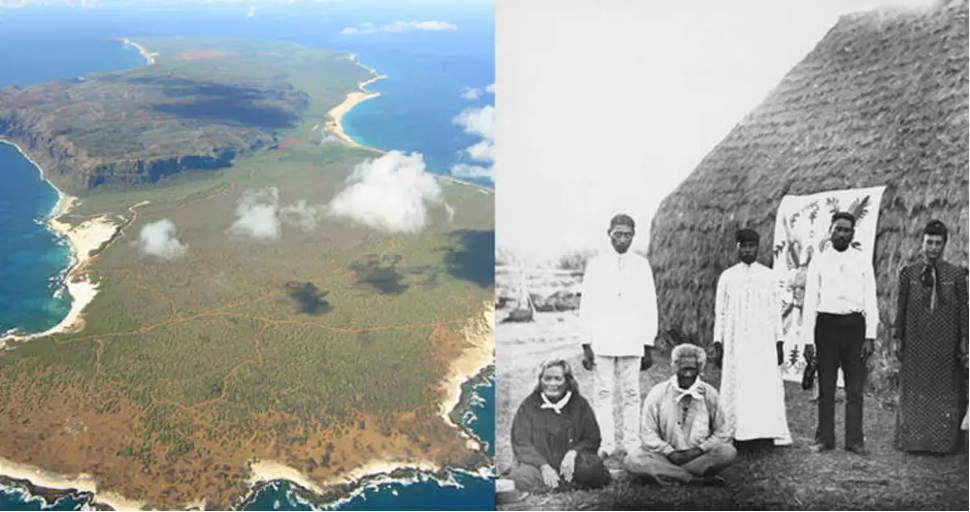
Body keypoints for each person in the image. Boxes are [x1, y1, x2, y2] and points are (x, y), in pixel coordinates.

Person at [579, 213, 658, 460]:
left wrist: (648, 343)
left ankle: (632, 442)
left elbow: (649, 305)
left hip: (632, 338)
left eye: (627, 235)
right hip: (602, 339)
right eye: (618, 235)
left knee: (631, 393)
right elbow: (587, 304)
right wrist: (586, 343)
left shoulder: (641, 265)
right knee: (603, 393)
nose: (622, 240)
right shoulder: (596, 265)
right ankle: (606, 443)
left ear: (633, 236)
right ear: (609, 234)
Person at [802, 211, 879, 455]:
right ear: (831, 230)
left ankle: (854, 440)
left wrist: (870, 336)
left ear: (853, 234)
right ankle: (825, 438)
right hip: (826, 326)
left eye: (847, 230)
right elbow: (810, 301)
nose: (842, 234)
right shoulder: (819, 260)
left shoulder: (862, 260)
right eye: (838, 229)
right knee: (826, 386)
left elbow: (871, 299)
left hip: (854, 326)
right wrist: (807, 340)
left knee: (854, 388)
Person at [892, 220, 968, 454]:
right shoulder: (909, 273)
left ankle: (941, 444)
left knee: (944, 390)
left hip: (946, 344)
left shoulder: (955, 275)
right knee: (914, 390)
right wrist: (898, 336)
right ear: (922, 243)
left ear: (945, 245)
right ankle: (913, 442)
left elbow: (963, 310)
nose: (933, 248)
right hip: (915, 341)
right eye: (929, 242)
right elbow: (901, 307)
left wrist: (964, 339)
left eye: (938, 243)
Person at [712, 228, 793, 449]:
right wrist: (718, 341)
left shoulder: (769, 276)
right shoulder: (728, 277)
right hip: (736, 340)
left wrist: (779, 341)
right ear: (737, 248)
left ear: (758, 248)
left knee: (762, 384)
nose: (748, 250)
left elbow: (775, 312)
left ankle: (764, 433)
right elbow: (721, 312)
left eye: (751, 246)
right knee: (739, 383)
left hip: (762, 340)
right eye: (744, 246)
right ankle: (738, 432)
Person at [624, 343, 737, 487]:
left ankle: (667, 473)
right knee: (633, 459)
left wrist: (699, 450)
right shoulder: (658, 392)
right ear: (675, 368)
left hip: (698, 457)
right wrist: (670, 452)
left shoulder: (709, 394)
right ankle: (692, 478)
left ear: (699, 369)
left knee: (727, 452)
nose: (687, 374)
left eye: (692, 369)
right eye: (684, 369)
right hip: (665, 456)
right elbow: (648, 433)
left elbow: (721, 431)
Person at [509, 359, 612, 493]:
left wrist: (573, 453)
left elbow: (592, 438)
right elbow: (521, 443)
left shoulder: (580, 404)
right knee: (521, 477)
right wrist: (543, 466)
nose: (552, 384)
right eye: (547, 378)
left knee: (591, 470)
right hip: (538, 466)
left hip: (574, 464)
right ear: (540, 380)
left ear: (567, 381)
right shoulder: (528, 405)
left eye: (558, 379)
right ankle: (567, 484)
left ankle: (554, 484)